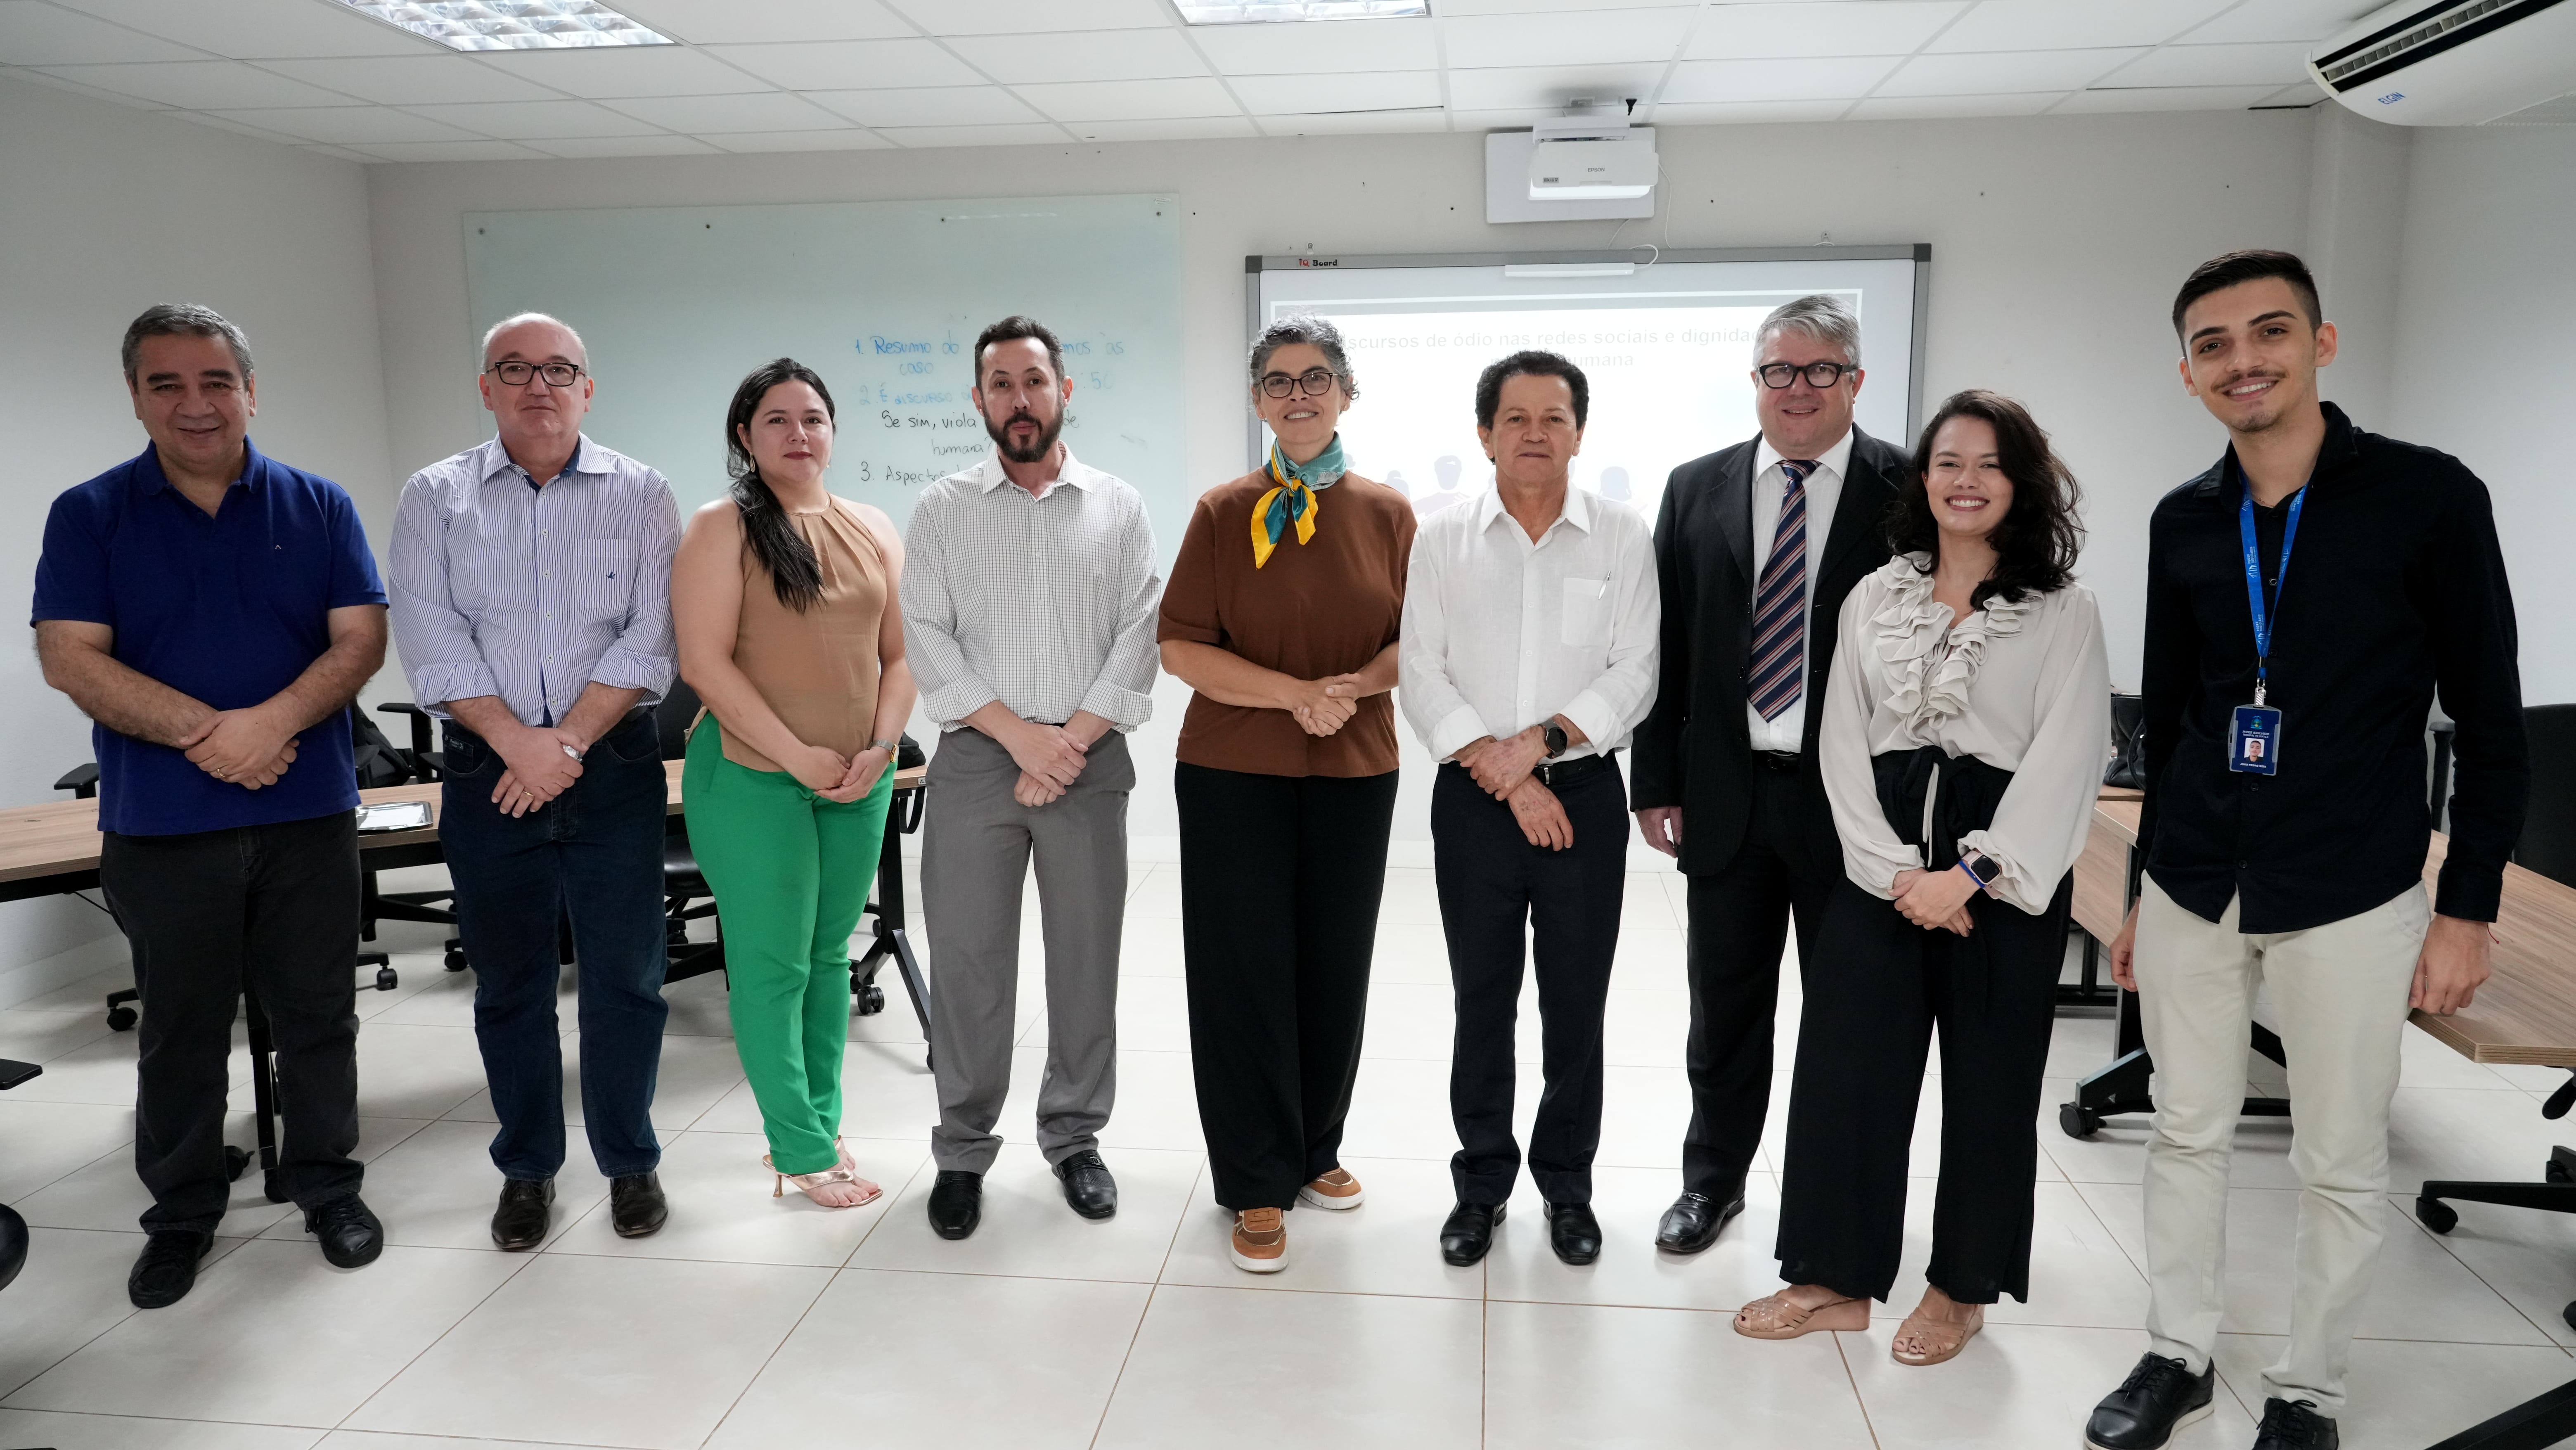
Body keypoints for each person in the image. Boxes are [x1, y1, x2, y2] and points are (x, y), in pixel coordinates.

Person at [2083, 251, 2527, 1450]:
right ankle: (2176, 1352)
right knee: (2186, 1133)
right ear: (2188, 374)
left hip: (2354, 882)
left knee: (2339, 1158)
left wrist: (2466, 906)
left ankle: (2308, 1389)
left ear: (2321, 345)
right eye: (2215, 345)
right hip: (2197, 880)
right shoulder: (2186, 519)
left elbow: (2488, 718)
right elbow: (2173, 720)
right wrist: (2139, 893)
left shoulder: (2429, 499)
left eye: (2269, 333)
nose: (2245, 361)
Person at [1735, 390, 2107, 1365]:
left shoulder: (2063, 612)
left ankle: (1960, 1287)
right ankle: (1832, 1275)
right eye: (1949, 462)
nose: (1967, 481)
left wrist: (1971, 875)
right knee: (1846, 1070)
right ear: (1925, 479)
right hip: (1881, 866)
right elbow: (1842, 742)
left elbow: (2070, 758)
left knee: (1989, 1084)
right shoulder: (1874, 595)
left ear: (2022, 482)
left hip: (2002, 873)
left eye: (1989, 463)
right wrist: (1896, 871)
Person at [33, 303, 389, 1307]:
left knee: (319, 1014)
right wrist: (212, 733)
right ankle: (182, 1213)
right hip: (161, 821)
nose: (196, 404)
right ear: (137, 396)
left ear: (250, 390)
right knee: (180, 1029)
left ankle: (326, 1183)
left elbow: (358, 640)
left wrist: (270, 725)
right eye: (167, 384)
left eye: (215, 381)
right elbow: (70, 656)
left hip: (308, 812)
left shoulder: (318, 506)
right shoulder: (90, 513)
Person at [388, 312, 679, 1251]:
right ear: (486, 387)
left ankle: (630, 1161)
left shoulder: (641, 493)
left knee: (627, 980)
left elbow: (652, 634)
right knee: (510, 985)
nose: (539, 386)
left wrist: (566, 745)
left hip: (615, 770)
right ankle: (527, 1171)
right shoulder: (434, 498)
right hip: (487, 772)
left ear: (588, 388)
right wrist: (520, 744)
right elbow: (429, 636)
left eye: (560, 370)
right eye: (515, 369)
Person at [1630, 294, 1908, 1253]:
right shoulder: (1694, 486)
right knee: (1726, 1013)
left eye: (1819, 369)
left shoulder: (1907, 489)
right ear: (1755, 382)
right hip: (1727, 797)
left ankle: (1831, 1206)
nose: (1797, 389)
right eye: (1778, 371)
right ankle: (1712, 1183)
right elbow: (1667, 648)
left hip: (1854, 811)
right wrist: (1653, 780)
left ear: (1855, 381)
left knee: (1851, 1019)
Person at [1160, 317, 1412, 1274]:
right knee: (1241, 973)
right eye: (1277, 381)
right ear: (1257, 399)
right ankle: (1256, 1177)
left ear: (1346, 393)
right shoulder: (1225, 511)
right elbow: (1182, 644)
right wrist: (1296, 695)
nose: (1297, 395)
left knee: (1333, 965)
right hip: (1232, 773)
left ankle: (1316, 1148)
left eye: (1315, 378)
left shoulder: (1389, 513)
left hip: (1356, 770)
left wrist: (1347, 692)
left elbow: (1411, 642)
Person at [902, 315, 1161, 1241]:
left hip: (1088, 764)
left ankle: (1075, 1137)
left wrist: (1070, 743)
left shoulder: (1118, 506)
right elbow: (925, 639)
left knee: (1085, 962)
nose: (1020, 399)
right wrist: (1023, 740)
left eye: (1035, 382)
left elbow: (1141, 636)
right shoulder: (941, 509)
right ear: (979, 401)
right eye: (1001, 385)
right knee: (970, 964)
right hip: (980, 759)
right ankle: (963, 1150)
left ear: (1064, 392)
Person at [1400, 351, 1660, 1268]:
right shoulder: (1441, 540)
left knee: (1574, 1003)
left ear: (1579, 433)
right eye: (1516, 418)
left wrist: (1538, 748)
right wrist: (1502, 769)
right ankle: (1481, 1186)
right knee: (1483, 999)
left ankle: (1567, 1187)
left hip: (1581, 792)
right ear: (1484, 434)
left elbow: (1637, 669)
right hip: (1473, 795)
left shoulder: (1624, 536)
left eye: (1554, 417)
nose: (1535, 433)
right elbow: (1419, 668)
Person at [672, 358, 915, 1208]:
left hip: (858, 775)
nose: (798, 434)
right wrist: (795, 755)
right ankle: (799, 1149)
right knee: (772, 964)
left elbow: (900, 655)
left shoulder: (875, 526)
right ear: (746, 435)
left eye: (813, 418)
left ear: (833, 431)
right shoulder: (720, 528)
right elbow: (703, 664)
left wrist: (882, 746)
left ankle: (820, 1120)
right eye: (777, 419)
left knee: (825, 958)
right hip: (751, 777)